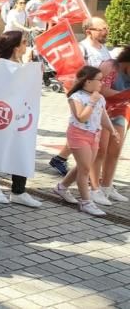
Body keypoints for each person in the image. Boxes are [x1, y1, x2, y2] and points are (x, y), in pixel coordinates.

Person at [0, 32, 42, 208]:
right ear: (15, 46)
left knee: (21, 147)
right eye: (24, 42)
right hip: (0, 114)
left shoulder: (24, 67)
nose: (26, 45)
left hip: (21, 117)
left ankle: (19, 190)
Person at [54, 66, 121, 216]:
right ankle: (86, 202)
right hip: (78, 135)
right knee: (85, 169)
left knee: (84, 166)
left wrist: (112, 130)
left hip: (94, 135)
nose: (102, 83)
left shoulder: (100, 97)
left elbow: (103, 116)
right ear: (88, 81)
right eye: (99, 80)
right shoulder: (76, 97)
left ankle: (61, 187)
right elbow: (81, 117)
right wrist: (91, 102)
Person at [51, 17, 113, 176]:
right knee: (84, 130)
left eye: (106, 28)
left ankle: (62, 158)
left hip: (98, 95)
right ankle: (84, 172)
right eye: (101, 29)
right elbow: (73, 74)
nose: (106, 31)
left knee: (88, 130)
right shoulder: (81, 48)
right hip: (84, 97)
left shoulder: (104, 48)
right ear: (88, 32)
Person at [97, 48, 130, 203]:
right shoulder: (111, 66)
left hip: (119, 112)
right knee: (101, 151)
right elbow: (100, 89)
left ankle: (106, 186)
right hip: (101, 112)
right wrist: (123, 95)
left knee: (115, 151)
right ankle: (94, 189)